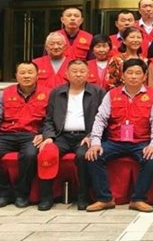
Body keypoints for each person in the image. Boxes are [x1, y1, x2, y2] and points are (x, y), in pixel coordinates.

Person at [85, 58, 153, 212]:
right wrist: (95, 142)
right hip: (115, 141)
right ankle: (105, 199)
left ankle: (138, 199)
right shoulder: (111, 94)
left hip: (141, 141)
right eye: (130, 73)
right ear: (123, 76)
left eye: (137, 73)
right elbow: (100, 119)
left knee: (152, 159)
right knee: (94, 156)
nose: (133, 76)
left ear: (144, 76)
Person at [0, 62, 50, 208]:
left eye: (30, 72)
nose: (26, 76)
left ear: (37, 75)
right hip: (6, 135)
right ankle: (3, 193)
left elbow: (51, 119)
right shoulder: (5, 94)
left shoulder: (48, 94)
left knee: (30, 155)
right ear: (16, 76)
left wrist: (44, 134)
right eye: (22, 73)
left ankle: (22, 194)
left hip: (32, 135)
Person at [37, 59, 104, 211]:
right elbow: (48, 120)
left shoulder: (98, 92)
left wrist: (92, 135)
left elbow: (103, 119)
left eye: (82, 71)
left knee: (83, 156)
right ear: (66, 73)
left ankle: (83, 196)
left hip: (85, 137)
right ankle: (46, 197)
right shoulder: (56, 92)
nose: (78, 75)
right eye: (74, 71)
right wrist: (49, 137)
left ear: (88, 74)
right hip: (61, 136)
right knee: (47, 153)